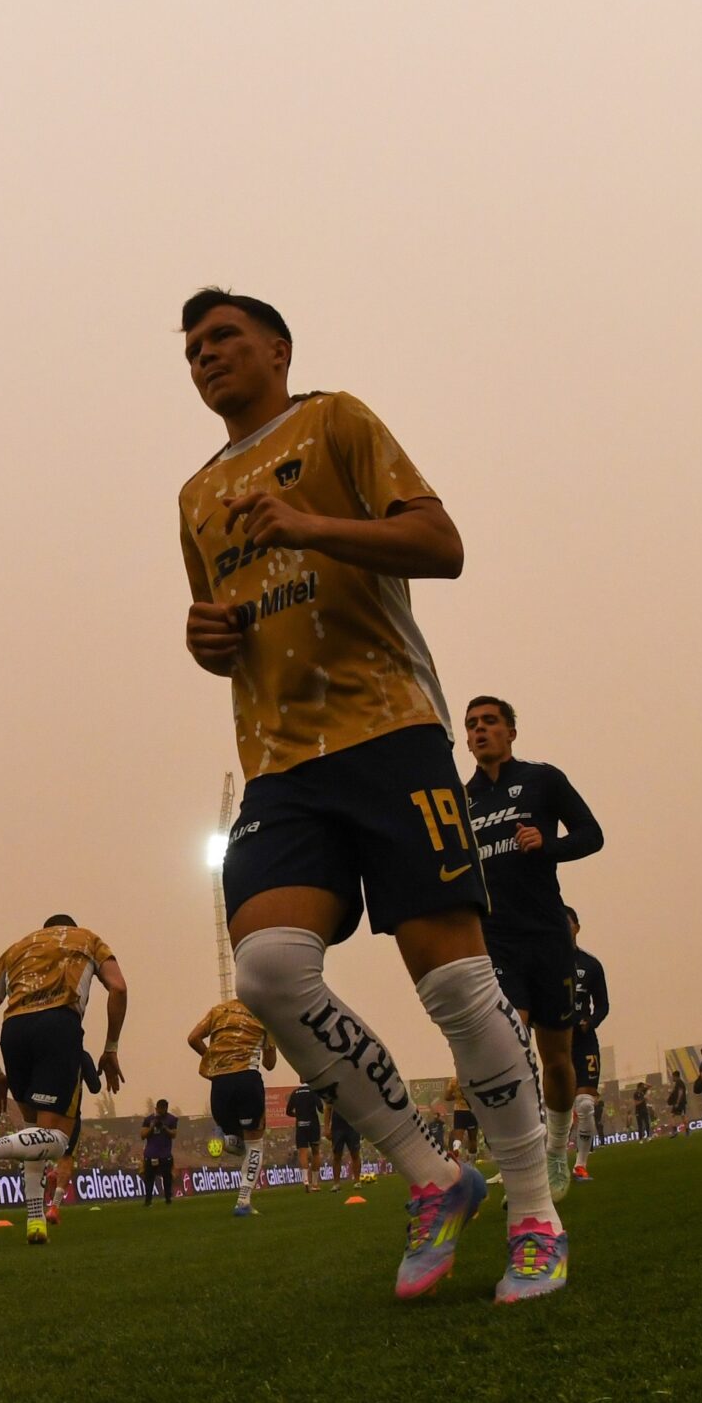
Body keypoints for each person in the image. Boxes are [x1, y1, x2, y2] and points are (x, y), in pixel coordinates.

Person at [175, 289, 563, 1302]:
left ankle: (534, 1211)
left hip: (387, 730)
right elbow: (225, 624)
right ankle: (434, 1177)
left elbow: (442, 546)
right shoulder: (195, 495)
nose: (205, 355)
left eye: (223, 337)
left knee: (455, 982)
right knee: (267, 972)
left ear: (277, 348)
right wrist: (205, 640)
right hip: (279, 764)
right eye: (192, 348)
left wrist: (309, 524)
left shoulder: (334, 421)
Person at [462, 695, 606, 1203]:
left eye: (490, 722)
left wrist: (549, 846)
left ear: (511, 731)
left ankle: (556, 1151)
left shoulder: (543, 780)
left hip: (547, 937)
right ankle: (521, 1163)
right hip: (496, 941)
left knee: (557, 1060)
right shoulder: (461, 801)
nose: (480, 730)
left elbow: (592, 835)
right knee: (508, 1043)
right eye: (472, 725)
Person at [0, 914, 127, 1245]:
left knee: (33, 1135)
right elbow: (118, 987)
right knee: (57, 1140)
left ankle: (35, 1222)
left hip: (14, 1032)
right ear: (69, 928)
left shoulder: (16, 949)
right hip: (58, 1026)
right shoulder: (87, 939)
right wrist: (111, 1048)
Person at [189, 997, 277, 1216]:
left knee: (239, 1144)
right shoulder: (265, 1013)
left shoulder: (219, 1010)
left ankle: (225, 1136)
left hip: (220, 1084)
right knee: (254, 1145)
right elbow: (269, 1064)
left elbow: (193, 1038)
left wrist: (214, 1058)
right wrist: (271, 1041)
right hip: (247, 1080)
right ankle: (243, 1201)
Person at [566, 906, 609, 1181]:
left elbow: (603, 1005)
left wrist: (590, 1022)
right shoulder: (545, 963)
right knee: (559, 1109)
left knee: (584, 1105)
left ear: (577, 928)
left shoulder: (591, 965)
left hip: (584, 1042)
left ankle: (580, 1165)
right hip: (557, 1044)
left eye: (567, 922)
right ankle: (554, 1162)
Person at [287, 1082, 324, 1192]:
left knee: (302, 1153)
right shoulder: (313, 1091)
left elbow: (288, 1111)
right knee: (316, 1152)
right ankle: (315, 1184)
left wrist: (298, 1115)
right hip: (313, 1125)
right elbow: (321, 1108)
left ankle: (306, 1181)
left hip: (301, 1125)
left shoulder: (295, 1093)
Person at [141, 1099, 179, 1205]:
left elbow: (174, 1134)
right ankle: (148, 1200)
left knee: (167, 1177)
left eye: (162, 1109)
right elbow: (142, 1135)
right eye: (159, 1109)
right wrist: (152, 1127)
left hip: (165, 1154)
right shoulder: (148, 1119)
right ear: (156, 1108)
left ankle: (168, 1199)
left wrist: (164, 1128)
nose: (160, 1111)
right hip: (151, 1154)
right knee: (149, 1178)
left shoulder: (172, 1119)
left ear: (166, 1108)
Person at [330, 1107, 364, 1184]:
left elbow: (360, 1108)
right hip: (337, 1127)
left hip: (353, 1126)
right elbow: (328, 1108)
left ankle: (357, 1181)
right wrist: (326, 1127)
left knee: (355, 1154)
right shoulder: (333, 1099)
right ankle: (336, 1184)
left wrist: (362, 1126)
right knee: (337, 1156)